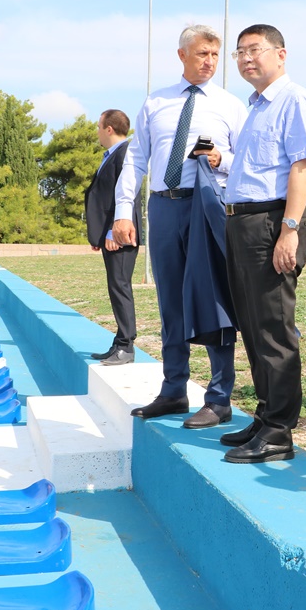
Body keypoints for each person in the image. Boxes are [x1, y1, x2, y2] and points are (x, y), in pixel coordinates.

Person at [113, 24, 247, 429]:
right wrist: (123, 210)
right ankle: (174, 390)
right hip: (164, 208)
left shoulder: (230, 105)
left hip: (207, 207)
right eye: (202, 54)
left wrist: (220, 157)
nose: (209, 62)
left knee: (214, 298)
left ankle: (219, 397)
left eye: (214, 55)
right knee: (170, 300)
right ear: (182, 55)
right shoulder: (156, 103)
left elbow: (247, 161)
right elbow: (136, 159)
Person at [219, 24, 306, 464]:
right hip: (241, 223)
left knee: (274, 328)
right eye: (239, 52)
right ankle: (265, 415)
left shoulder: (294, 100)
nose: (245, 59)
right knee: (253, 324)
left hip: (271, 222)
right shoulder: (255, 107)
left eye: (254, 50)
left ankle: (280, 429)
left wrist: (290, 228)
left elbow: (302, 167)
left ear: (281, 54)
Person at [84, 109, 139, 365]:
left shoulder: (124, 152)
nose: (97, 131)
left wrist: (111, 231)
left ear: (108, 128)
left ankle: (126, 347)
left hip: (120, 234)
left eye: (98, 126)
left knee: (121, 286)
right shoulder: (111, 155)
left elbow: (126, 193)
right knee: (115, 286)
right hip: (110, 233)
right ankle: (119, 343)